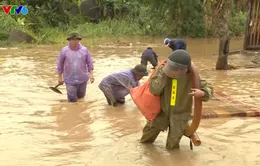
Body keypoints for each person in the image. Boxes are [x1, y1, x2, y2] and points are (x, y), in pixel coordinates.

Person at [140, 50, 213, 150]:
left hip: (180, 115)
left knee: (173, 146)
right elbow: (154, 90)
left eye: (176, 70)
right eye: (171, 69)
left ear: (185, 70)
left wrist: (203, 93)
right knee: (146, 140)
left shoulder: (192, 76)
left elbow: (209, 88)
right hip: (161, 112)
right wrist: (163, 74)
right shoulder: (162, 70)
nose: (173, 72)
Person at [56, 32, 94, 102]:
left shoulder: (84, 50)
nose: (75, 41)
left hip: (83, 79)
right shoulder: (64, 51)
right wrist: (59, 77)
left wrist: (91, 75)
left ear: (79, 40)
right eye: (73, 39)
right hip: (69, 80)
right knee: (72, 100)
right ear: (69, 40)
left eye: (77, 39)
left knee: (81, 98)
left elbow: (90, 63)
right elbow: (59, 64)